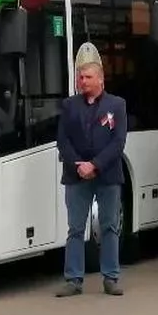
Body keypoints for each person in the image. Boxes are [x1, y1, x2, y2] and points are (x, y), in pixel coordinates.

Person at [55, 42, 128, 297]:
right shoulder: (69, 105)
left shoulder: (117, 105)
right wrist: (79, 166)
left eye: (87, 77)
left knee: (109, 227)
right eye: (80, 77)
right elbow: (62, 141)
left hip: (107, 176)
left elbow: (118, 142)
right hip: (76, 177)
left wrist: (95, 165)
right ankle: (74, 280)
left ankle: (110, 277)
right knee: (75, 229)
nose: (82, 81)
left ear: (100, 79)